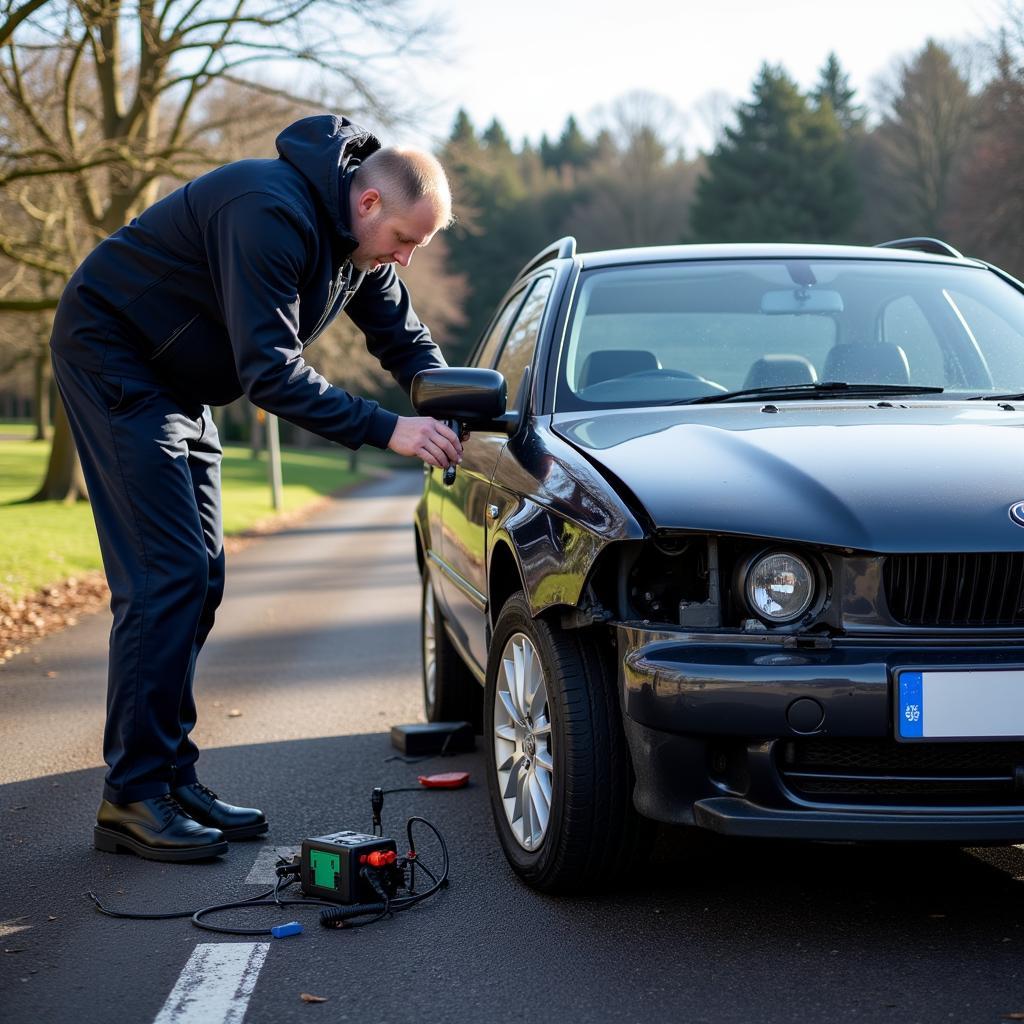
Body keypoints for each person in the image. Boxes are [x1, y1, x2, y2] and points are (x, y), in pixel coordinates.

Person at [49, 114, 463, 862]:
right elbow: (269, 373)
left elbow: (404, 341)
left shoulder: (357, 249)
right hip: (116, 355)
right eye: (405, 240)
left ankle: (172, 776)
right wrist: (387, 429)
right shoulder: (268, 210)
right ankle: (132, 797)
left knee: (201, 577)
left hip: (180, 382)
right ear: (368, 204)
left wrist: (462, 409)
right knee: (164, 576)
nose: (403, 259)